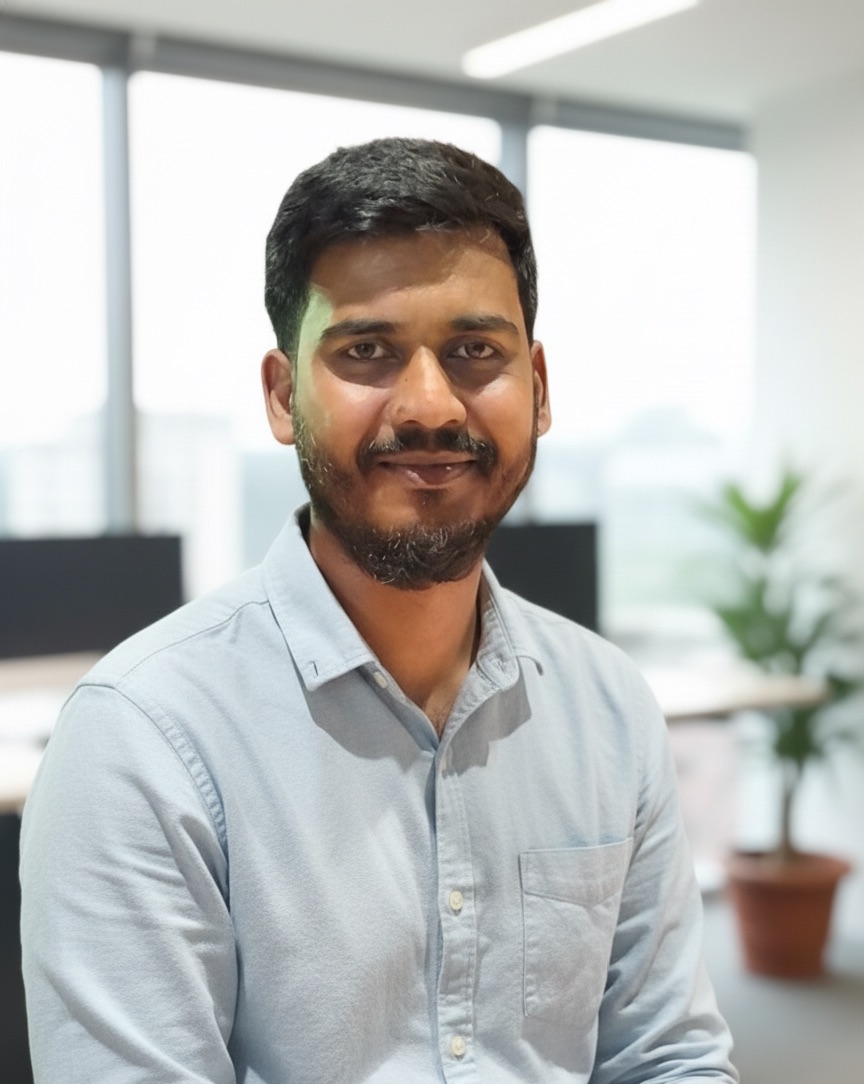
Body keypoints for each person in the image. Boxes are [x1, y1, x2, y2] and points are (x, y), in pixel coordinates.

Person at [20, 137, 737, 1083]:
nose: (431, 406)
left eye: (476, 352)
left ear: (539, 389)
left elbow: (668, 1054)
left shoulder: (609, 707)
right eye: (367, 351)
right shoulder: (143, 738)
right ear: (284, 396)